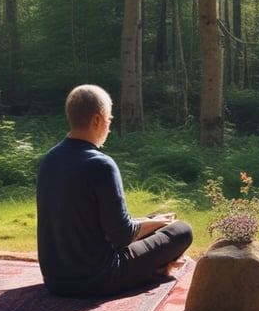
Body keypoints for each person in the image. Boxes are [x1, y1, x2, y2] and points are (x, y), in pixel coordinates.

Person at [36, 84, 193, 297]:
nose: (109, 127)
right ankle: (155, 271)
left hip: (55, 278)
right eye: (109, 120)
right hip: (98, 277)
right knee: (181, 230)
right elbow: (122, 236)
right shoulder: (101, 164)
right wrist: (160, 223)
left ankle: (154, 267)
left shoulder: (50, 159)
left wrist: (152, 221)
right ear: (97, 120)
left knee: (153, 223)